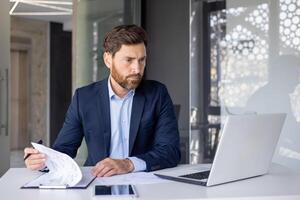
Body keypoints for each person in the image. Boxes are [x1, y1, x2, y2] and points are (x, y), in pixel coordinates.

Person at [24, 25, 181, 177]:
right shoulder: (84, 98)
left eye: (142, 60)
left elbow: (170, 151)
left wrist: (128, 164)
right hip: (97, 179)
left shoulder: (157, 94)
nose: (137, 69)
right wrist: (43, 161)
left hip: (143, 181)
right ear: (108, 59)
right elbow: (64, 149)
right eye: (129, 60)